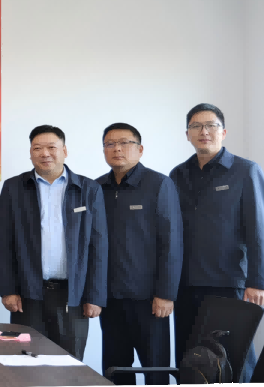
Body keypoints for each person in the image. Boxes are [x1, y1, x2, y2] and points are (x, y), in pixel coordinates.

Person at [0, 125, 107, 361]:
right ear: (30, 153)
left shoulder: (89, 189)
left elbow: (98, 246)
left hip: (73, 295)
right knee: (26, 359)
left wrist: (95, 296)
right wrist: (8, 290)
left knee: (69, 361)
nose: (45, 153)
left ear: (64, 150)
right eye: (37, 148)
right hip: (28, 294)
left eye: (51, 147)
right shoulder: (14, 188)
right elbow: (3, 243)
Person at [170, 103, 264, 383]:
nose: (204, 132)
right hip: (185, 284)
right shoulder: (177, 175)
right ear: (187, 134)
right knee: (189, 358)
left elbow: (258, 230)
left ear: (223, 132)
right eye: (196, 126)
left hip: (227, 282)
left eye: (211, 125)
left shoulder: (245, 170)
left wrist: (257, 281)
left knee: (232, 359)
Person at [97, 123, 182, 386]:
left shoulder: (159, 184)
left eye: (125, 142)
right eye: (110, 144)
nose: (117, 149)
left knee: (155, 370)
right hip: (110, 299)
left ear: (140, 149)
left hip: (150, 301)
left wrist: (166, 294)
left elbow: (172, 242)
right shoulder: (97, 188)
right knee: (115, 370)